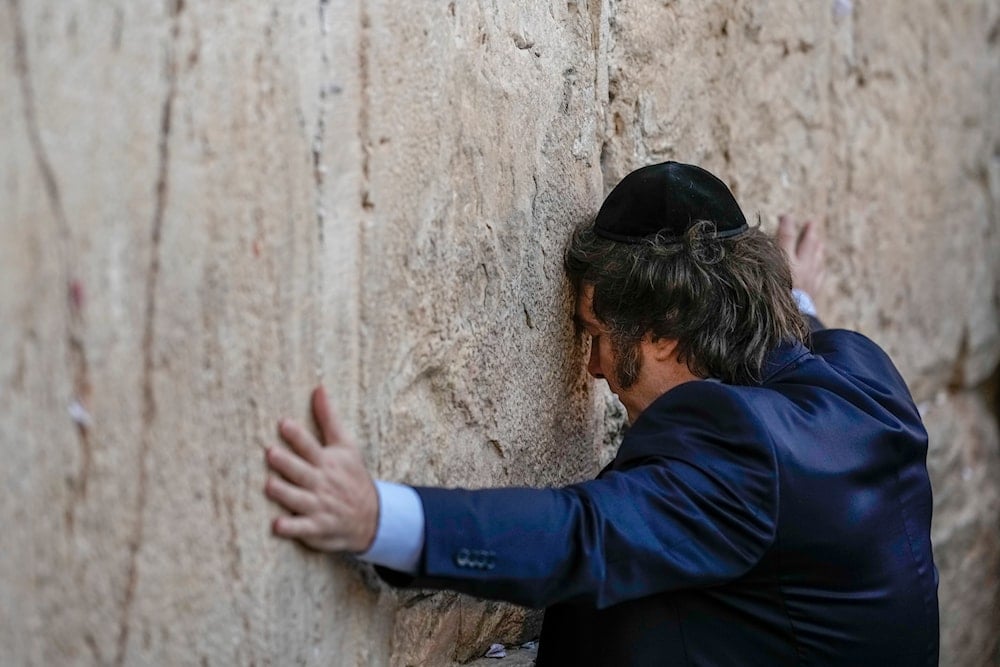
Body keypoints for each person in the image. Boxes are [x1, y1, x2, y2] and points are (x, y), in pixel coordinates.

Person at [263, 162, 939, 665]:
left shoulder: (745, 452)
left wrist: (377, 517)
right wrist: (793, 295)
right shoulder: (861, 372)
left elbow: (582, 533)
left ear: (666, 331)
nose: (590, 367)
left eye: (598, 333)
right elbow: (808, 337)